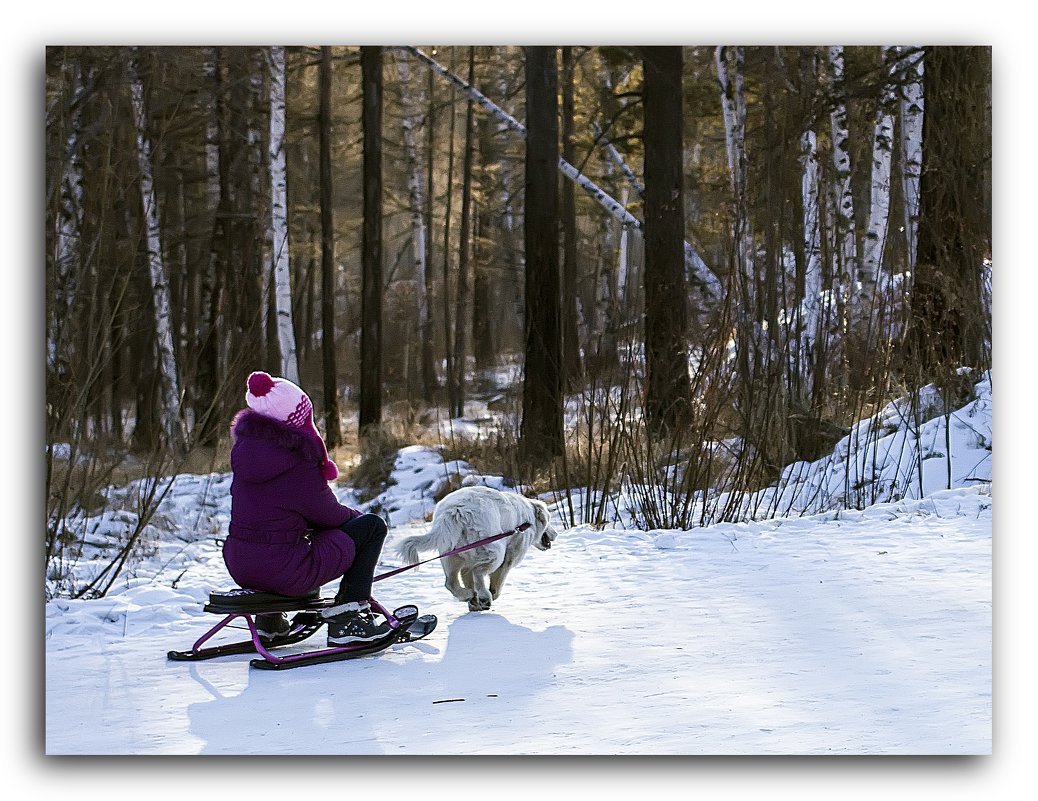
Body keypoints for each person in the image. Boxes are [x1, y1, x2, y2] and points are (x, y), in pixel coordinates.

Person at [223, 371, 393, 647]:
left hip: (240, 563)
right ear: (298, 420)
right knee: (371, 527)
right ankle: (349, 617)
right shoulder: (296, 460)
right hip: (282, 570)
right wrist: (356, 520)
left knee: (283, 536)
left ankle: (270, 620)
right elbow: (328, 515)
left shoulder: (245, 454)